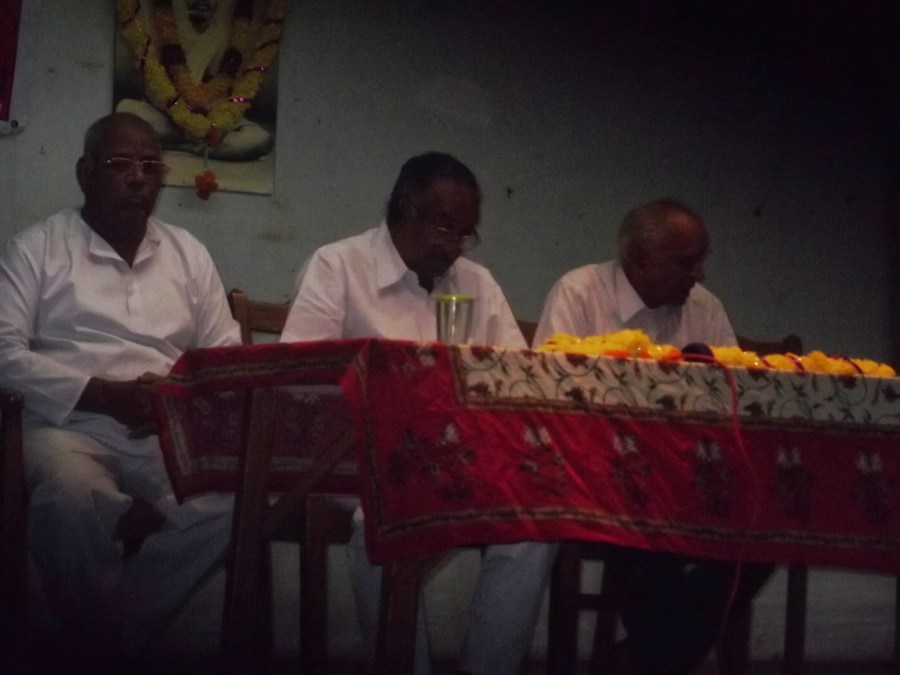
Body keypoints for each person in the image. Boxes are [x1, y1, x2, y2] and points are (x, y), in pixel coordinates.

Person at [281, 152, 557, 675]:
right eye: (445, 226)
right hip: (358, 460)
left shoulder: (477, 283)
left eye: (465, 233)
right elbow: (298, 384)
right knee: (383, 518)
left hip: (461, 460)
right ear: (405, 208)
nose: (453, 246)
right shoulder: (338, 266)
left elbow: (518, 382)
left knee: (537, 524)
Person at [0, 112, 241, 670]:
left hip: (167, 428)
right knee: (71, 495)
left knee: (239, 498)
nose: (138, 178)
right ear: (85, 173)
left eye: (150, 166)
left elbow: (226, 356)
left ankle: (102, 643)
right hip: (67, 426)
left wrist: (177, 394)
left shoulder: (187, 252)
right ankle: (105, 645)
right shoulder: (37, 247)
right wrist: (102, 394)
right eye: (120, 164)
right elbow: (3, 353)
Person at [534, 198, 773, 675]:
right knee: (645, 522)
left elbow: (737, 403)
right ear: (639, 257)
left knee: (767, 527)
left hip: (691, 478)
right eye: (686, 262)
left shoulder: (705, 308)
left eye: (701, 260)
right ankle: (655, 659)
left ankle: (647, 658)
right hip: (603, 477)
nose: (699, 274)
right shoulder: (579, 293)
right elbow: (549, 401)